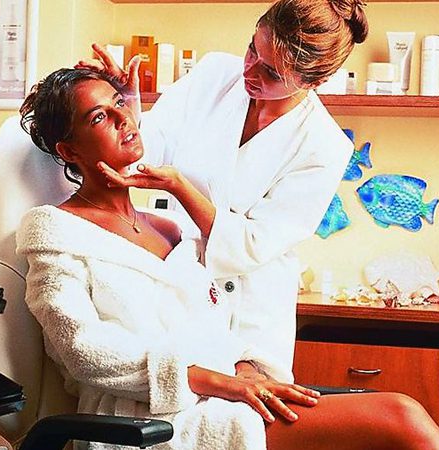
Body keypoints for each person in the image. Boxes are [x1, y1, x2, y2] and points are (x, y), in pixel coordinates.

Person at [16, 67, 439, 450]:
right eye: (99, 117)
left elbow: (211, 325)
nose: (123, 118)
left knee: (392, 420)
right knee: (399, 417)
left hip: (222, 395)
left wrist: (245, 370)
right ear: (69, 151)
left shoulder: (168, 228)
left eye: (119, 103)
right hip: (149, 419)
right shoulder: (55, 229)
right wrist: (217, 381)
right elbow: (83, 351)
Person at [76, 0, 368, 383]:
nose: (249, 70)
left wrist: (181, 187)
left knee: (242, 413)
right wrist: (126, 108)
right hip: (179, 288)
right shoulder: (214, 74)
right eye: (252, 49)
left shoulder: (324, 146)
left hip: (250, 312)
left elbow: (250, 245)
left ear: (313, 82)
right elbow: (145, 152)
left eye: (270, 72)